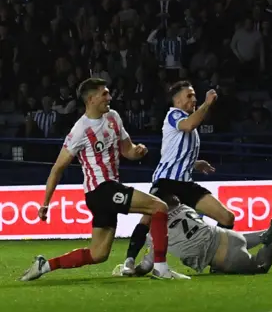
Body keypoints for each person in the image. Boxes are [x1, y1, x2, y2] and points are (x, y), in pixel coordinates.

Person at [20, 78, 190, 281]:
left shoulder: (113, 117)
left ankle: (44, 265)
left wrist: (138, 151)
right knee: (159, 207)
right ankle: (161, 268)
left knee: (98, 254)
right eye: (104, 94)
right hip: (100, 190)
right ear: (91, 99)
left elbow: (128, 150)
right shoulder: (79, 130)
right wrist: (46, 202)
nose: (109, 97)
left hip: (108, 191)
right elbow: (58, 169)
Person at [121, 81, 235, 276]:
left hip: (185, 183)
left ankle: (217, 260)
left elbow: (174, 151)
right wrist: (207, 104)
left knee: (227, 217)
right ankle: (129, 261)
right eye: (189, 95)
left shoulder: (186, 120)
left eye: (194, 95)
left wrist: (196, 163)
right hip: (166, 181)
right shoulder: (175, 115)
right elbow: (189, 125)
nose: (194, 99)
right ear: (177, 99)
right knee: (149, 217)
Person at [113, 195, 272, 276]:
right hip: (225, 234)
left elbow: (147, 265)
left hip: (223, 257)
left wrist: (134, 271)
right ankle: (270, 232)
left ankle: (270, 239)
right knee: (243, 240)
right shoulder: (184, 207)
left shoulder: (154, 235)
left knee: (260, 266)